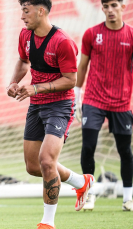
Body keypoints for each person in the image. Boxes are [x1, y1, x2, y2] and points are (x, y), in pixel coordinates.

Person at [7, 0, 94, 228]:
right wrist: (14, 82)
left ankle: (48, 223)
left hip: (60, 107)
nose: (22, 16)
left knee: (47, 161)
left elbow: (70, 80)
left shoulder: (62, 42)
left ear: (41, 11)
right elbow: (24, 62)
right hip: (36, 105)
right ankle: (81, 182)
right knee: (33, 167)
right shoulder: (25, 35)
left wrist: (35, 88)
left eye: (26, 11)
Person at [75, 0, 133, 211]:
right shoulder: (91, 34)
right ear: (102, 8)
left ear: (123, 7)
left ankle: (128, 197)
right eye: (106, 6)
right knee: (88, 146)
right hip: (94, 100)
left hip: (122, 103)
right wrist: (77, 96)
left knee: (125, 150)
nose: (110, 10)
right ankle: (88, 194)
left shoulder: (131, 35)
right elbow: (82, 66)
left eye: (114, 5)